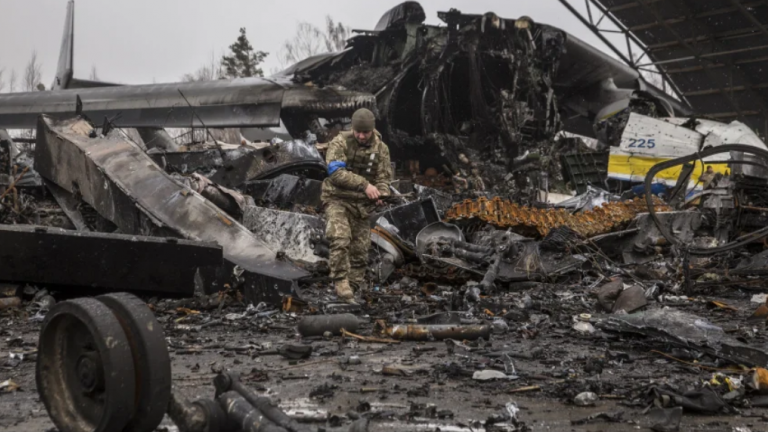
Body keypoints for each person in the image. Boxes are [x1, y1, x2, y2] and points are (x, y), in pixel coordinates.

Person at [322, 108, 392, 304]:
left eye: (365, 132)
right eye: (358, 132)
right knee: (340, 238)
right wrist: (365, 185)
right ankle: (340, 283)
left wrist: (381, 193)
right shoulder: (340, 142)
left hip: (362, 204)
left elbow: (383, 177)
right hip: (338, 198)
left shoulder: (382, 149)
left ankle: (351, 289)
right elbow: (335, 173)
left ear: (372, 130)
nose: (361, 136)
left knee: (360, 250)